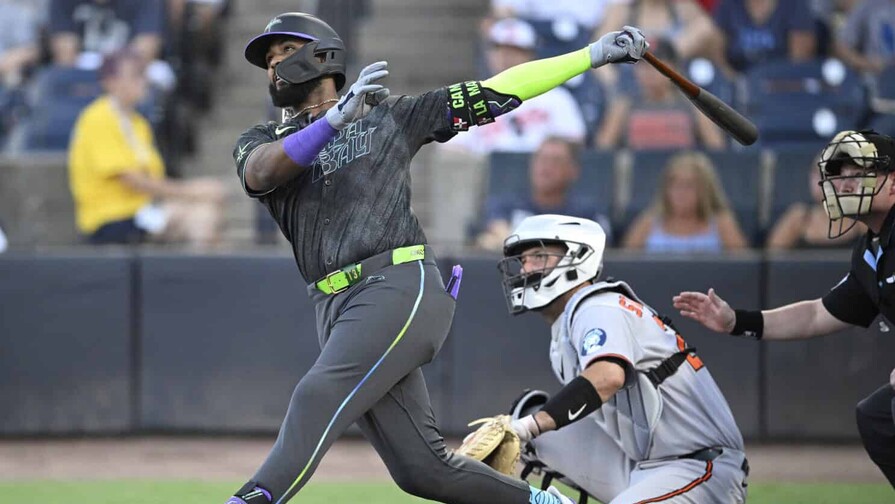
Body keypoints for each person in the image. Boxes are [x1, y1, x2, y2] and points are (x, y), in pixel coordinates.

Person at [226, 11, 648, 504]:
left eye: (282, 54)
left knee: (317, 394)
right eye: (267, 61)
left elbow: (496, 91)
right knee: (423, 470)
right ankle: (545, 503)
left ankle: (254, 497)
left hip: (397, 285)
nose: (272, 67)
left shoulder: (390, 115)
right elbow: (260, 173)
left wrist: (589, 56)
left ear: (320, 57)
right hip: (334, 306)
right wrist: (334, 121)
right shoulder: (260, 141)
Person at [673, 129, 895, 488]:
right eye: (839, 176)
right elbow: (817, 313)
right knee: (877, 416)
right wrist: (736, 321)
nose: (846, 184)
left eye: (860, 173)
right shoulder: (872, 251)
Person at [492, 214, 748, 503]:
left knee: (530, 425)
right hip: (647, 463)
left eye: (539, 255)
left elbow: (608, 376)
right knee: (522, 424)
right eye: (524, 260)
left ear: (578, 257)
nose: (526, 268)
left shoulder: (598, 305)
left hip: (699, 465)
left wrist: (531, 425)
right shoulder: (570, 322)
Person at [68, 50, 225, 247]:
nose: (143, 81)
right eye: (135, 75)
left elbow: (150, 178)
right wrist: (190, 191)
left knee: (207, 207)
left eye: (143, 74)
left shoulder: (138, 124)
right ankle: (198, 276)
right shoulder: (98, 118)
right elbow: (132, 180)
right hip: (111, 217)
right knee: (201, 216)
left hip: (142, 212)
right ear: (110, 82)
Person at [445, 17, 587, 155]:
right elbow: (451, 150)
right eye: (499, 48)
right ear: (488, 54)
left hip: (539, 172)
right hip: (488, 174)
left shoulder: (556, 96)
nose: (505, 56)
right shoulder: (468, 99)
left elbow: (574, 141)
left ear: (531, 55)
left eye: (515, 50)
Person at [476, 136, 612, 251]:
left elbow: (602, 245)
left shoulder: (587, 213)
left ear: (573, 171)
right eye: (541, 159)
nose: (546, 166)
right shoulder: (507, 205)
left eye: (556, 161)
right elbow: (496, 232)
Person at [595, 41, 726, 150]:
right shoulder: (623, 108)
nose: (649, 72)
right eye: (643, 66)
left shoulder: (694, 107)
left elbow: (717, 151)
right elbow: (603, 152)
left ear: (673, 68)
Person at [622, 151, 748, 252]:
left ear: (705, 190)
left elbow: (743, 270)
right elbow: (628, 266)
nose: (681, 192)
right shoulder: (648, 223)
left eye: (689, 186)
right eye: (675, 185)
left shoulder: (722, 223)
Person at [766, 155, 866, 249]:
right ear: (811, 179)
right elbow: (772, 261)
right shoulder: (798, 218)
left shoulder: (862, 221)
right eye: (820, 174)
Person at [710, 0, 817, 77]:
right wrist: (733, 81)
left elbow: (799, 62)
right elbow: (717, 54)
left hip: (779, 86)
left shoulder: (795, 5)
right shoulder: (729, 4)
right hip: (737, 85)